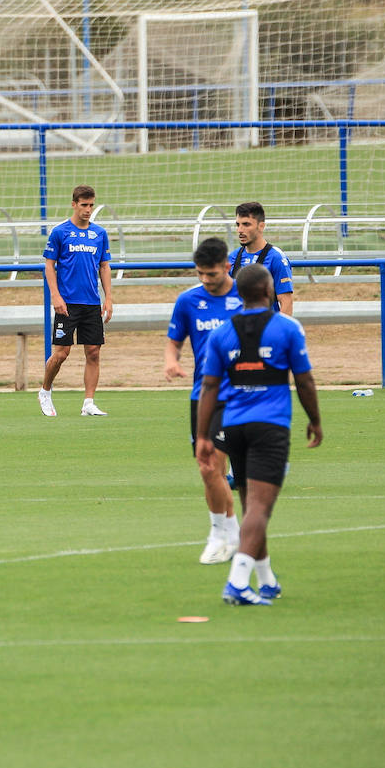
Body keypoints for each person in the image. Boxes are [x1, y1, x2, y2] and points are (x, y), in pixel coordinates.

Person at [195, 264, 322, 606]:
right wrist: (315, 420)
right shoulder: (287, 328)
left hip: (232, 427)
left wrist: (205, 436)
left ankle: (266, 581)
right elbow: (305, 381)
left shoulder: (222, 333)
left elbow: (208, 387)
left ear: (238, 293)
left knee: (252, 506)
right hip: (270, 428)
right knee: (260, 509)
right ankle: (237, 582)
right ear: (269, 292)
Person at [164, 237, 243, 565]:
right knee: (208, 468)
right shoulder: (187, 301)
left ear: (227, 267)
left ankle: (221, 535)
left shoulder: (247, 297)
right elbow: (174, 341)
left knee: (215, 464)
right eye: (200, 274)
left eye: (211, 274)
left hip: (240, 395)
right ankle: (227, 531)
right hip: (204, 394)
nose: (205, 280)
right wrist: (171, 360)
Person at [37, 185, 114, 417]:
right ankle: (45, 391)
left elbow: (104, 266)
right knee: (61, 353)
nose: (88, 210)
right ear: (74, 204)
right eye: (84, 205)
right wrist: (55, 296)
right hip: (67, 303)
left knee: (93, 352)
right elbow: (49, 266)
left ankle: (88, 403)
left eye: (91, 205)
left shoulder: (99, 234)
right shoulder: (60, 232)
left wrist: (108, 298)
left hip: (91, 302)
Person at [228, 201, 294, 315]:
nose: (240, 230)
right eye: (238, 225)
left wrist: (276, 331)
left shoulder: (276, 258)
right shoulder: (232, 257)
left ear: (261, 226)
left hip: (265, 329)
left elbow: (286, 302)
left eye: (246, 224)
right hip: (239, 329)